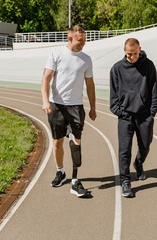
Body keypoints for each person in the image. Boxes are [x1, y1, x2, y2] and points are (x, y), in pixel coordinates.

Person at [41, 25, 96, 197]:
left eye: (85, 40)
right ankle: (60, 171)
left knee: (76, 143)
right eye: (80, 41)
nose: (83, 44)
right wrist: (45, 101)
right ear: (70, 38)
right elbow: (46, 79)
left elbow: (90, 85)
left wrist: (93, 107)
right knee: (57, 143)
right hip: (57, 105)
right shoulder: (56, 54)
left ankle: (75, 181)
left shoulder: (86, 59)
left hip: (76, 106)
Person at [110, 38, 157, 197]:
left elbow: (153, 89)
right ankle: (125, 181)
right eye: (129, 54)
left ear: (140, 50)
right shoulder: (116, 69)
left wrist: (152, 112)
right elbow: (113, 96)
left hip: (145, 115)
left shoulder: (148, 65)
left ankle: (138, 163)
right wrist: (120, 111)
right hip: (125, 116)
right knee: (124, 150)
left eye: (135, 54)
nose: (132, 57)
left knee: (145, 145)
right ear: (124, 51)